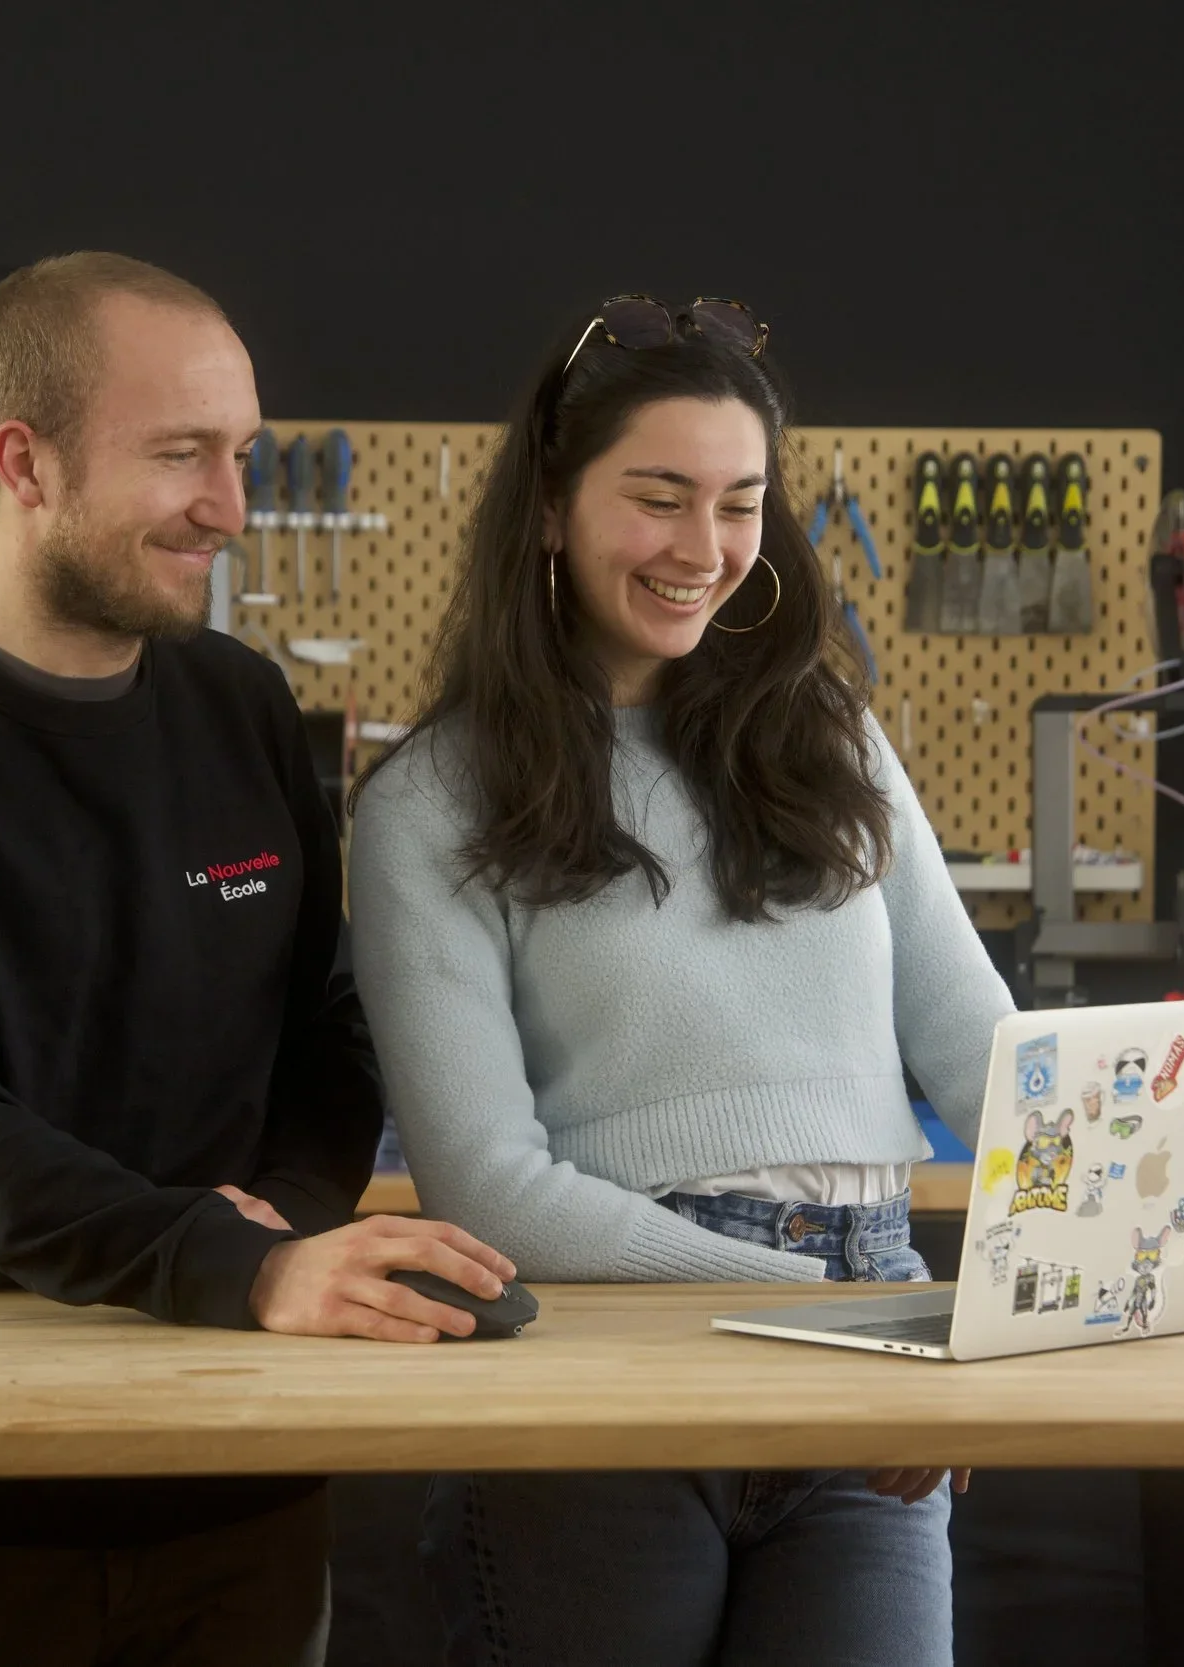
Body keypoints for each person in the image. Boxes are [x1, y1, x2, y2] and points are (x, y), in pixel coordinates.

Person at [0, 251, 514, 1667]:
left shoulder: (243, 707)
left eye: (242, 453)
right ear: (25, 463)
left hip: (239, 1487)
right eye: (180, 455)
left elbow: (330, 1034)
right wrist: (235, 1263)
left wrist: (279, 1235)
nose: (231, 505)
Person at [347, 296, 1015, 1667]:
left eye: (739, 504)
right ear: (550, 507)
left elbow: (984, 1053)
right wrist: (838, 1324)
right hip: (606, 1363)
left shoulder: (832, 741)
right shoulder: (430, 801)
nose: (703, 550)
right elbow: (488, 1193)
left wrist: (1067, 1259)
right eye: (658, 500)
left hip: (871, 1334)